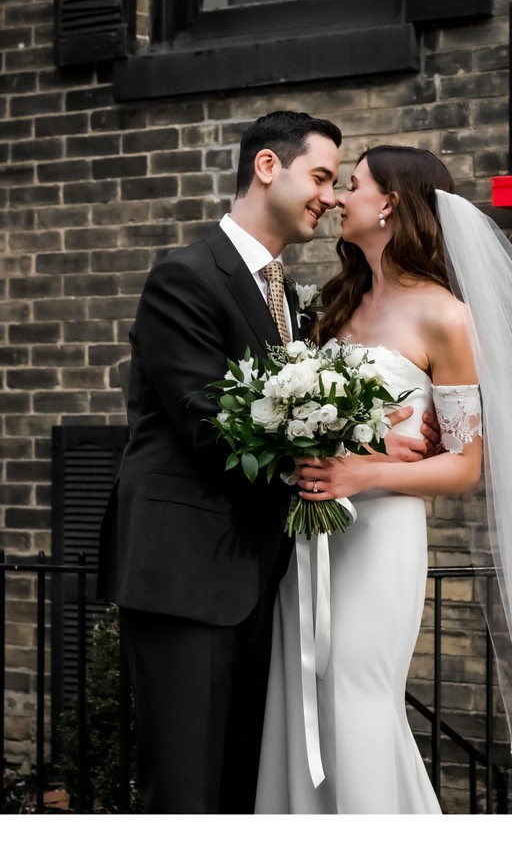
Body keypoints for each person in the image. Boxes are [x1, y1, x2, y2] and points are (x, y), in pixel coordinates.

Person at [255, 145, 512, 815]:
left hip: (380, 535)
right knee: (303, 693)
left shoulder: (445, 317)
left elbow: (464, 463)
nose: (337, 198)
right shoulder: (336, 306)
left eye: (353, 185)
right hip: (314, 538)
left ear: (389, 203)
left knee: (355, 699)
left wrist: (364, 471)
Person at [97, 112, 437, 814]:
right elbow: (213, 424)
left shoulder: (289, 296)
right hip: (186, 575)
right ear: (265, 169)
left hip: (265, 579)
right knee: (186, 793)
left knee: (237, 793)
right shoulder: (185, 276)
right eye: (319, 176)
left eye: (340, 182)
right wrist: (366, 446)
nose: (329, 195)